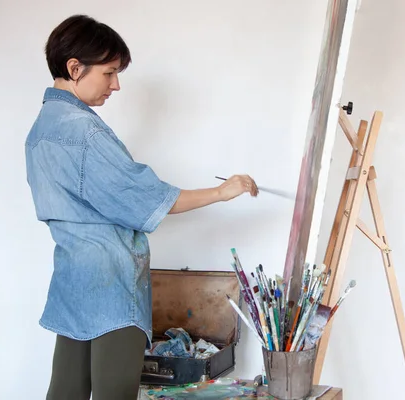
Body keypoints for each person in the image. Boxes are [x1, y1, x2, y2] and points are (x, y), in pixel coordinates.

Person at [25, 14, 258, 400]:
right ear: (74, 67)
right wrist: (221, 192)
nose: (116, 85)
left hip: (71, 283)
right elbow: (149, 199)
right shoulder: (84, 131)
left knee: (65, 393)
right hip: (111, 287)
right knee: (115, 393)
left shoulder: (39, 130)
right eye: (110, 72)